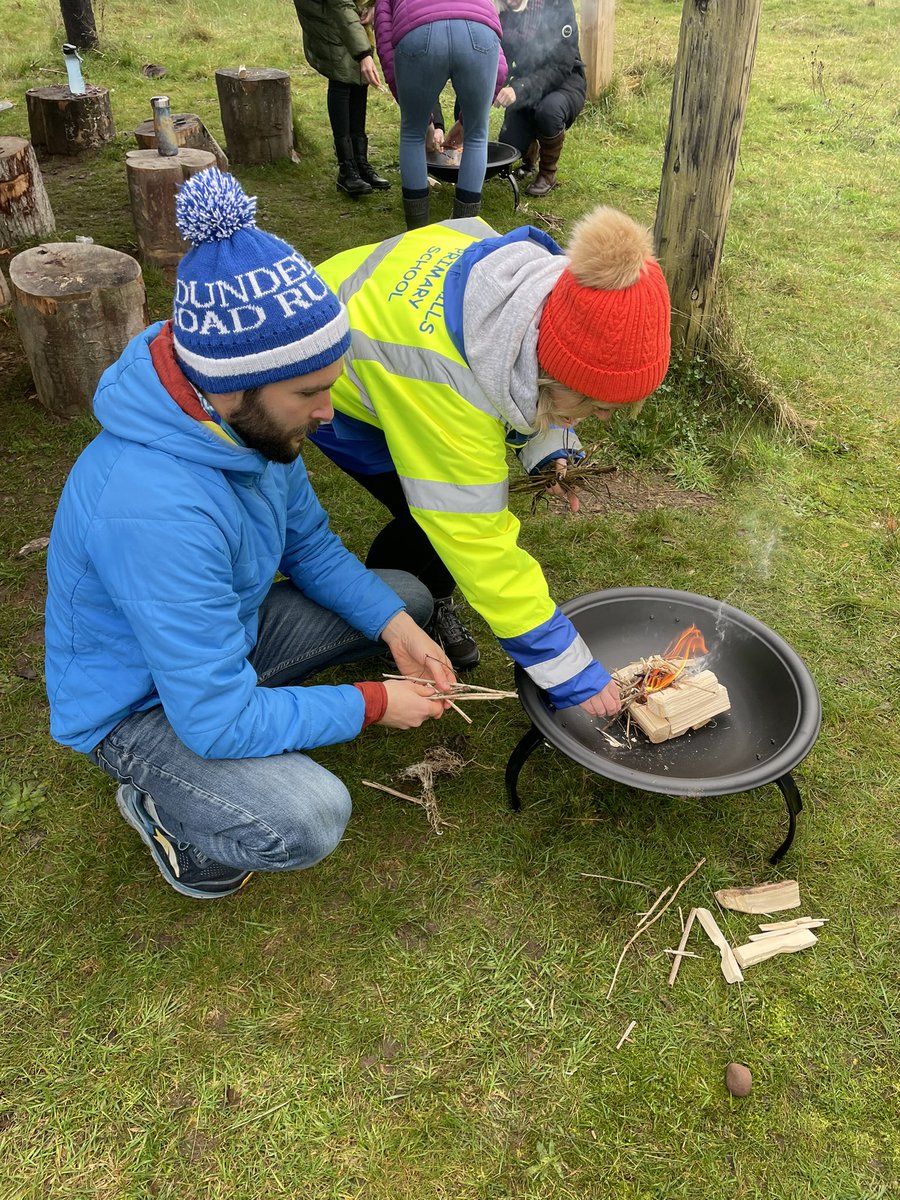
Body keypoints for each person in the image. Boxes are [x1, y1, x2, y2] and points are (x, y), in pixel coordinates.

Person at [44, 169, 457, 901]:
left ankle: (280, 683)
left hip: (217, 641)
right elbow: (213, 720)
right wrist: (372, 704)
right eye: (308, 393)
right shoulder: (153, 510)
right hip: (138, 710)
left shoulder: (248, 428)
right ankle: (161, 806)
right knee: (308, 817)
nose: (328, 412)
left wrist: (394, 628)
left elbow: (311, 547)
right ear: (233, 385)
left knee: (405, 597)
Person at [309, 205, 671, 695]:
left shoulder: (527, 288)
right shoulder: (445, 384)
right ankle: (396, 618)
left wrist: (550, 442)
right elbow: (474, 536)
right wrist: (568, 669)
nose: (603, 418)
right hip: (324, 380)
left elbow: (517, 374)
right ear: (552, 375)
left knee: (436, 510)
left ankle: (412, 602)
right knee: (426, 518)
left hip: (370, 327)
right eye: (596, 405)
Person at [373, 1, 508, 227]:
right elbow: (500, 68)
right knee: (476, 136)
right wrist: (468, 122)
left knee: (412, 134)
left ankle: (417, 233)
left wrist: (417, 115)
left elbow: (387, 46)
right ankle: (463, 233)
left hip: (418, 31)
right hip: (480, 31)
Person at [293, 0, 391, 197]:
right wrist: (364, 53)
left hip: (348, 10)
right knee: (342, 74)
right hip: (326, 12)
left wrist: (373, 5)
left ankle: (360, 162)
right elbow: (341, 6)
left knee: (359, 76)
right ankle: (347, 169)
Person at [493, 0, 587, 197]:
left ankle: (548, 173)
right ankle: (530, 155)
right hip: (527, 82)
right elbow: (500, 58)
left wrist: (519, 89)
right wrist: (488, 91)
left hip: (565, 82)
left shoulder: (557, 5)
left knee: (548, 111)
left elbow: (560, 67)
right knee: (509, 142)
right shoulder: (502, 11)